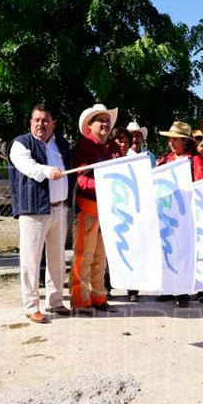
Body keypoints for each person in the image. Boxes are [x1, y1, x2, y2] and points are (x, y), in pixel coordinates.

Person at [8, 103, 72, 323]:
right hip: (33, 209)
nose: (40, 124)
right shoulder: (20, 144)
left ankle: (55, 301)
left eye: (45, 120)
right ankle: (31, 306)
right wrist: (47, 171)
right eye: (37, 120)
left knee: (57, 258)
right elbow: (27, 166)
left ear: (53, 123)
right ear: (31, 122)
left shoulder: (61, 144)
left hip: (60, 208)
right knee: (31, 259)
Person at [70, 103, 120, 313]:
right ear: (90, 125)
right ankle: (80, 299)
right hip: (88, 206)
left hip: (107, 208)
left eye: (107, 120)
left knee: (100, 256)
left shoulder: (113, 148)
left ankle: (99, 296)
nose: (105, 124)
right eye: (101, 120)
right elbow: (81, 179)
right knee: (85, 254)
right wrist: (106, 186)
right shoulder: (83, 146)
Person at [152, 120, 203, 307]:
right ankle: (168, 288)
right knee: (167, 249)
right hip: (166, 212)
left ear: (185, 141)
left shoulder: (195, 160)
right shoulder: (165, 160)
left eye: (175, 139)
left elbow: (200, 185)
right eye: (170, 139)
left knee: (184, 251)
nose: (171, 143)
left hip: (185, 213)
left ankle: (183, 292)